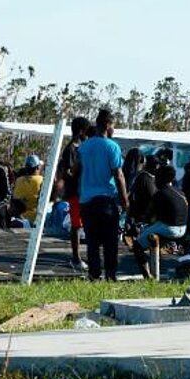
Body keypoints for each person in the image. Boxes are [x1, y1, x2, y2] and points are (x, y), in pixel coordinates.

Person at [74, 108, 129, 281]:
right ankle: (111, 275)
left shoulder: (84, 147)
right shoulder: (112, 146)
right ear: (107, 125)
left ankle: (94, 274)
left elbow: (76, 171)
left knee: (92, 242)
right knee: (110, 242)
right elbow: (118, 175)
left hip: (87, 201)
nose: (114, 130)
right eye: (113, 126)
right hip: (106, 200)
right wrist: (125, 200)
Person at [134, 165, 188, 278]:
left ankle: (147, 276)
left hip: (169, 228)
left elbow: (147, 216)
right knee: (155, 235)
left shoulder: (160, 193)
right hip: (183, 229)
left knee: (137, 246)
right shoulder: (180, 192)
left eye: (156, 177)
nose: (154, 180)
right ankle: (157, 270)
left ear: (160, 178)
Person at [59, 116, 90, 270]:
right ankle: (76, 258)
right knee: (76, 226)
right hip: (75, 192)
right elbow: (66, 172)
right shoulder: (71, 149)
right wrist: (80, 174)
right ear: (80, 132)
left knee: (83, 225)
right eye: (86, 132)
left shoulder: (82, 147)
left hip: (83, 192)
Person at [13, 154, 44, 223]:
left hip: (19, 217)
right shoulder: (42, 180)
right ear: (38, 167)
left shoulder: (19, 180)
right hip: (35, 218)